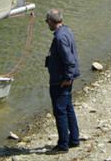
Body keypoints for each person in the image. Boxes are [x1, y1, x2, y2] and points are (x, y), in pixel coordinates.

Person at [44, 9, 80, 153]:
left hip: (60, 80)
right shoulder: (67, 31)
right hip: (64, 78)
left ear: (52, 21)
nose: (47, 24)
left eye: (47, 21)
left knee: (60, 111)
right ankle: (74, 139)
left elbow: (69, 61)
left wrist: (67, 78)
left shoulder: (59, 38)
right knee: (68, 108)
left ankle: (63, 144)